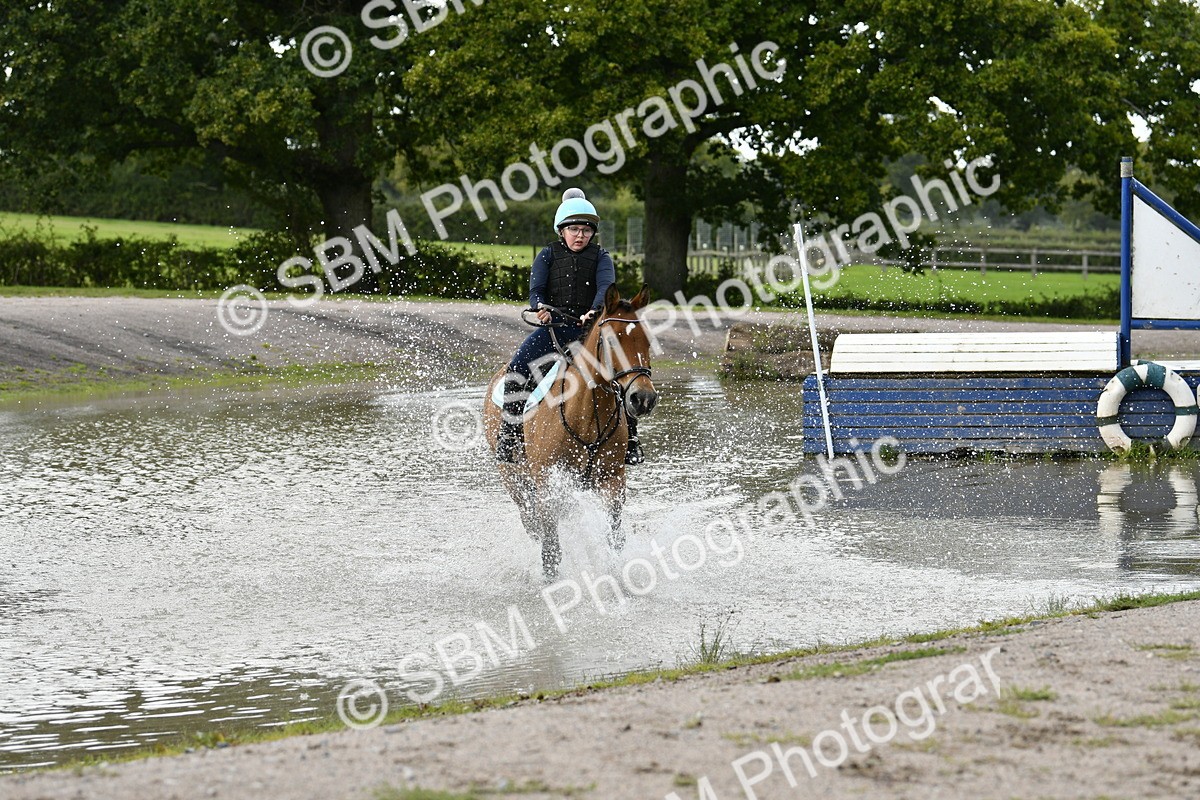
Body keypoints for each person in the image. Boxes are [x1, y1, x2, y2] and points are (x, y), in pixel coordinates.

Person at [496, 188, 644, 465]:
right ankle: (509, 433)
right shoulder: (547, 255)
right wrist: (540, 307)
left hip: (591, 332)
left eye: (586, 231)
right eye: (574, 229)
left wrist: (594, 311)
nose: (580, 235)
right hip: (554, 329)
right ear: (562, 230)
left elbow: (605, 288)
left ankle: (631, 438)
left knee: (623, 371)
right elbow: (536, 291)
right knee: (518, 367)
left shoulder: (601, 257)